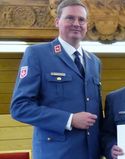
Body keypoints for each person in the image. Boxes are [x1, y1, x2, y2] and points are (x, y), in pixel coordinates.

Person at [10, 0, 102, 159]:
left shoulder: (94, 61)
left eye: (81, 19)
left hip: (91, 153)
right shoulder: (37, 54)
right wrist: (69, 119)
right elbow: (20, 107)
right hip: (56, 153)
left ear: (87, 25)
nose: (76, 23)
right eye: (70, 18)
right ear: (57, 21)